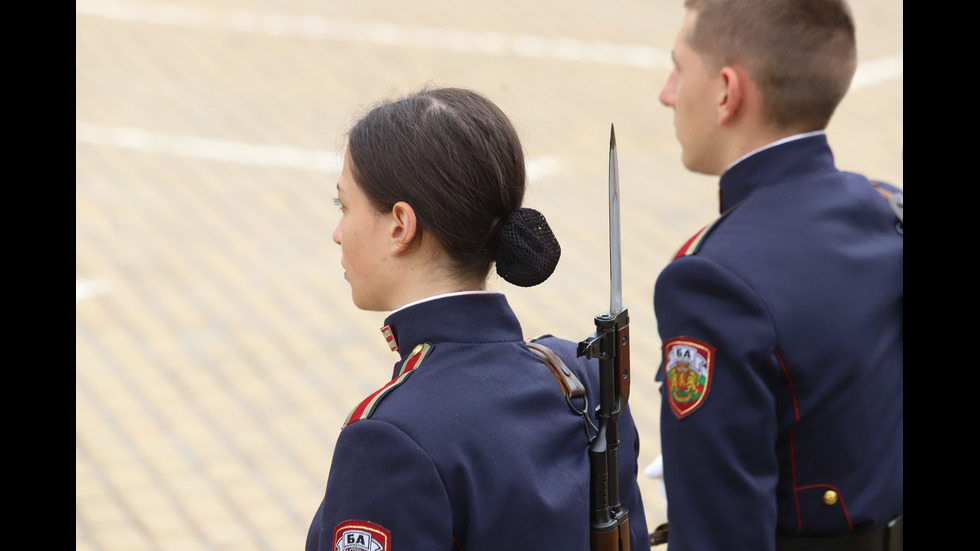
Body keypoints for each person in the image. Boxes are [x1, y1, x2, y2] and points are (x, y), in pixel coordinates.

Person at [306, 86, 650, 551]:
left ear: (400, 227)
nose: (337, 233)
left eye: (344, 206)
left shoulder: (390, 438)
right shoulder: (585, 378)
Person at [652, 1, 902, 550]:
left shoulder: (713, 282)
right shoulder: (889, 210)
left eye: (678, 67)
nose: (667, 92)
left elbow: (722, 536)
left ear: (726, 91)